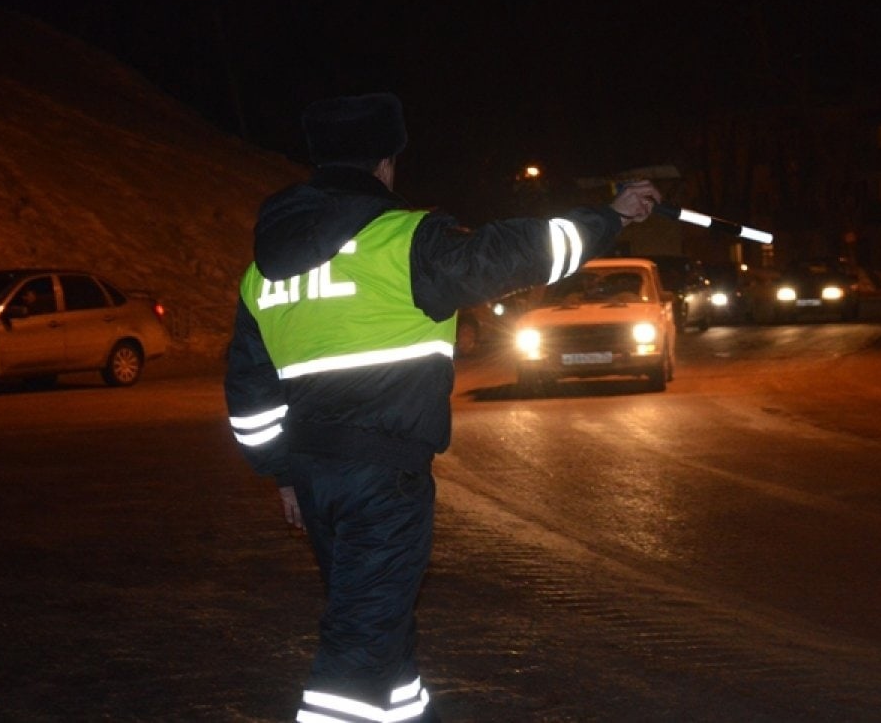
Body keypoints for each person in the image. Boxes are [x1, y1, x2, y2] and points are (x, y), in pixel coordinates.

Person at [224, 92, 660, 723]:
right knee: (356, 653)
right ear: (385, 164)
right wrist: (611, 216)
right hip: (383, 479)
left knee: (381, 635)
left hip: (316, 480)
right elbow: (522, 252)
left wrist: (283, 474)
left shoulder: (262, 271)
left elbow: (249, 391)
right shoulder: (405, 242)